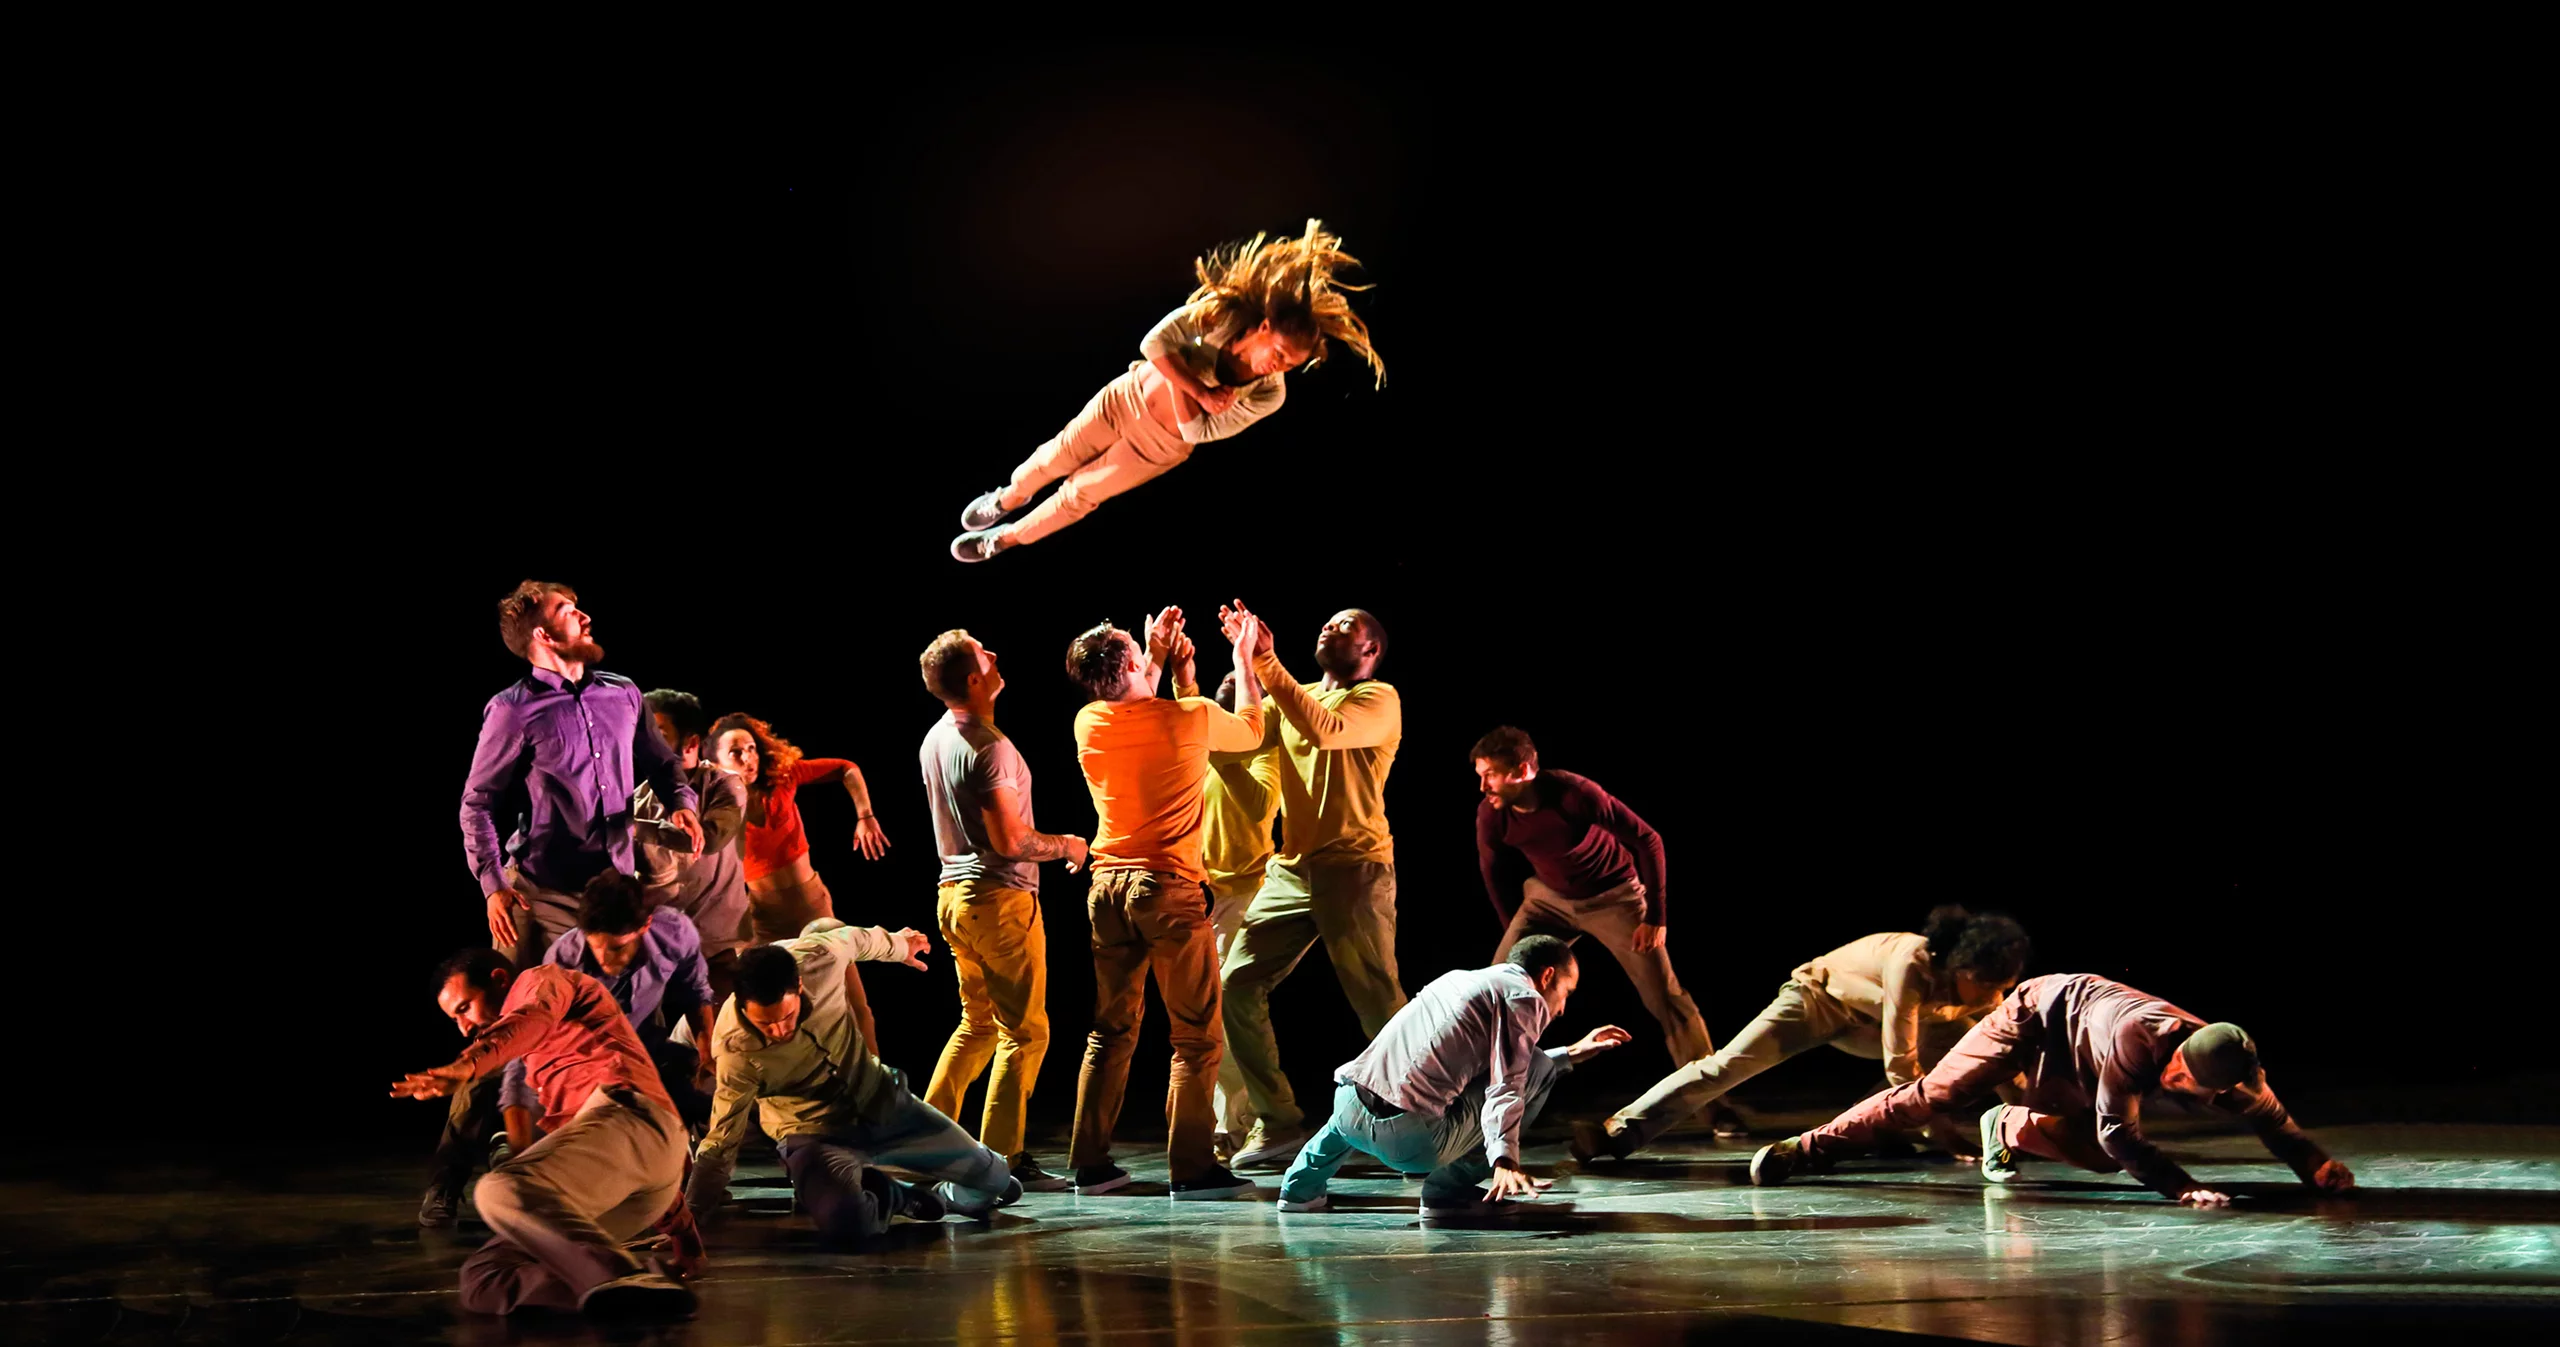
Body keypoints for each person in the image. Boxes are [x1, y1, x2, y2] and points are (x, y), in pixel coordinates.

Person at [442, 580, 702, 1227]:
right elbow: (476, 804)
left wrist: (683, 806)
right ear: (541, 636)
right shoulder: (513, 709)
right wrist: (493, 885)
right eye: (567, 610)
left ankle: (613, 1173)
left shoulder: (623, 692)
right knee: (511, 1032)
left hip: (611, 894)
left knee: (623, 1031)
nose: (584, 613)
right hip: (540, 894)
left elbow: (666, 767)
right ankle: (448, 1178)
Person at [949, 220, 1384, 561]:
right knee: (1052, 458)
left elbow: (1195, 433)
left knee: (1079, 496)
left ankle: (1004, 540)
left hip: (1157, 448)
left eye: (1292, 363)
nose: (1280, 366)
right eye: (1281, 352)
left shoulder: (1269, 394)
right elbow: (1152, 344)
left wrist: (1182, 374)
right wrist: (1199, 389)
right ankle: (1008, 498)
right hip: (1125, 399)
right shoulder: (1219, 314)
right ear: (1264, 328)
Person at [1748, 973, 2359, 1206]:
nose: (2175, 1084)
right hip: (2038, 1016)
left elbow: (2278, 1124)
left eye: (2187, 1088)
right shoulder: (2139, 1039)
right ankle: (1808, 1147)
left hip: (2080, 1062)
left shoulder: (2238, 1078)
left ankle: (2007, 1125)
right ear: (2174, 1052)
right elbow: (2122, 1126)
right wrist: (2184, 1186)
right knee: (1935, 1095)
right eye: (2175, 1074)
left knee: (2100, 1158)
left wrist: (2316, 1165)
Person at [1062, 607, 1264, 1198]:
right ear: (1130, 663)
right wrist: (1242, 658)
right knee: (1196, 1036)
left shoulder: (1088, 722)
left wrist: (1154, 652)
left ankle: (1091, 1164)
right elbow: (1250, 729)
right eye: (1135, 649)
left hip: (1107, 891)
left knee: (1110, 1031)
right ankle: (1193, 1168)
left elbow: (1133, 695)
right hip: (1167, 890)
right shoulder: (1193, 716)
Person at [1572, 906, 2030, 1162]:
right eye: (1987, 984)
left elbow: (2000, 1052)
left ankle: (1882, 1129)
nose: (1992, 995)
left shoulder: (1980, 993)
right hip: (1816, 1001)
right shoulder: (1912, 961)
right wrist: (1945, 1132)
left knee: (1970, 1043)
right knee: (1728, 1065)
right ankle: (1617, 1132)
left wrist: (2030, 1110)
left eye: (1999, 989)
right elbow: (1899, 1065)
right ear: (1963, 965)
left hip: (1869, 1023)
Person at [392, 949, 696, 1321]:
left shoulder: (543, 981)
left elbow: (532, 1017)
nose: (465, 1027)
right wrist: (685, 1237)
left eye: (464, 1008)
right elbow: (608, 1156)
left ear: (501, 981)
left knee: (498, 1189)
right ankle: (635, 1293)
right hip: (636, 1181)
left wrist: (468, 1064)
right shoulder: (541, 1067)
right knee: (484, 1277)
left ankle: (623, 1276)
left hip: (634, 1115)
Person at [1213, 601, 1405, 1171]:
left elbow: (1324, 733)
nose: (1330, 626)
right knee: (1234, 987)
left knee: (1380, 1008)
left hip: (1354, 868)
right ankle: (1278, 1123)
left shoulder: (1378, 700)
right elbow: (1241, 736)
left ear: (1370, 651)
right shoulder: (1285, 703)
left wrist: (1268, 661)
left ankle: (1431, 1114)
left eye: (1348, 626)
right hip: (1292, 871)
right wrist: (1233, 662)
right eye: (1328, 620)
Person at [689, 921, 1023, 1240]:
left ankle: (953, 1191)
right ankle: (889, 1195)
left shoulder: (821, 959)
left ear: (800, 986)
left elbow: (856, 939)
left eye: (786, 1017)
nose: (778, 1031)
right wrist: (690, 1216)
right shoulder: (734, 1049)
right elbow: (721, 1141)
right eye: (765, 1025)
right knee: (849, 1223)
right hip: (812, 1134)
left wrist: (899, 946)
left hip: (885, 1105)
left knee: (996, 1181)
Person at [1274, 935, 1631, 1216]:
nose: (1563, 1007)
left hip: (1347, 1107)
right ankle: (1448, 1194)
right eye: (1566, 992)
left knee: (1376, 1081)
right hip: (1410, 1142)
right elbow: (1508, 1081)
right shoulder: (1526, 998)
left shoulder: (1460, 980)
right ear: (1547, 976)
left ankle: (1299, 1190)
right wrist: (1505, 1158)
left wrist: (1570, 1053)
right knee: (1538, 1065)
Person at [916, 629, 1090, 1192]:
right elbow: (1010, 842)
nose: (995, 654)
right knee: (1026, 1032)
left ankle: (923, 1141)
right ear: (973, 677)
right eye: (984, 652)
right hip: (997, 900)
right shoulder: (986, 746)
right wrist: (1067, 844)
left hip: (954, 899)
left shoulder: (935, 737)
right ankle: (1002, 1160)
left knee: (978, 1024)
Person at [1471, 727, 1713, 1069]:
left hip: (1614, 898)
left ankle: (1713, 1101)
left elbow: (1648, 840)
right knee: (1497, 984)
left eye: (1491, 776)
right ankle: (1480, 1089)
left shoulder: (1575, 794)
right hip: (1548, 900)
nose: (1483, 787)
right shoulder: (1492, 814)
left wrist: (1655, 917)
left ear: (1523, 771)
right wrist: (1515, 930)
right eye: (1480, 776)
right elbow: (1492, 873)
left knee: (1666, 998)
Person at [706, 712, 892, 1052]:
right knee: (758, 1007)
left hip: (810, 906)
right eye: (736, 752)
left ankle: (876, 1080)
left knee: (853, 1001)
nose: (748, 758)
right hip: (762, 917)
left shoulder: (783, 779)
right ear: (715, 762)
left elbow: (845, 767)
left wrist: (865, 815)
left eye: (751, 749)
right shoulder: (716, 805)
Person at [499, 873, 721, 1154]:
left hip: (642, 1053)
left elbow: (696, 992)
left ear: (646, 926)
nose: (604, 960)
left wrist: (707, 1056)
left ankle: (684, 1152)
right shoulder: (563, 962)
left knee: (695, 1081)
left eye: (618, 948)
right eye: (596, 947)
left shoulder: (674, 931)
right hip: (582, 1068)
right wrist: (518, 1143)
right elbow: (526, 1050)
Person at [1200, 667, 1282, 1159]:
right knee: (1205, 1019)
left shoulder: (1266, 754)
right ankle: (1225, 1122)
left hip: (1248, 894)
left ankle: (1248, 1121)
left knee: (1231, 1010)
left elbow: (1258, 809)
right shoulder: (1202, 756)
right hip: (1201, 896)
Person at [637, 689, 751, 1009]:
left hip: (716, 951)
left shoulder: (724, 784)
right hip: (658, 954)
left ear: (690, 743)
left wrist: (634, 828)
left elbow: (711, 838)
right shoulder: (638, 799)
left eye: (657, 733)